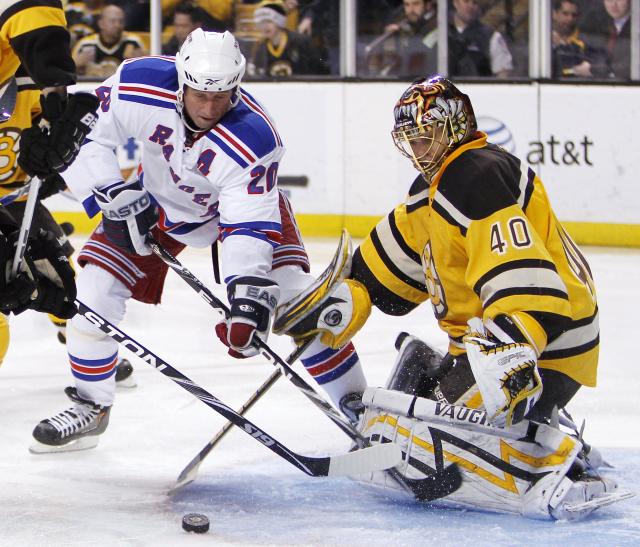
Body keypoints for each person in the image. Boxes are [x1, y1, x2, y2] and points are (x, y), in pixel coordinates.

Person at [272, 76, 624, 519]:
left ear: (457, 126)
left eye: (427, 135)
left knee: (425, 441)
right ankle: (537, 431)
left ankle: (552, 468)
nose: (419, 149)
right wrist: (345, 296)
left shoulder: (478, 174)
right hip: (489, 346)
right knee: (407, 405)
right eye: (411, 139)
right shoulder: (432, 190)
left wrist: (514, 348)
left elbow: (525, 279)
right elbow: (385, 267)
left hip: (544, 345)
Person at [31, 29, 367, 452]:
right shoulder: (139, 82)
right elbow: (83, 136)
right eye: (200, 95)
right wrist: (109, 191)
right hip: (151, 206)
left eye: (221, 96)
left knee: (300, 308)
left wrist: (247, 296)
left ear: (237, 85)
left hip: (235, 216)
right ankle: (91, 406)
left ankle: (361, 412)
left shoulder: (255, 138)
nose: (210, 108)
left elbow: (246, 223)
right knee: (92, 300)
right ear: (182, 80)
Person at [0, 0, 102, 358]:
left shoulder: (28, 81)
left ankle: (76, 339)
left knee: (57, 274)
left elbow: (52, 136)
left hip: (18, 198)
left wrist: (55, 173)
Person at [248, 0, 330, 77]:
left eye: (269, 21)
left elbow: (318, 70)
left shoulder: (301, 42)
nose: (264, 26)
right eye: (261, 23)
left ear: (279, 21)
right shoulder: (261, 48)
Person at [72, 4, 147, 79]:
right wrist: (76, 64)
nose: (117, 25)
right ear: (101, 24)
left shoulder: (133, 42)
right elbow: (69, 72)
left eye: (121, 21)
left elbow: (147, 71)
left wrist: (141, 63)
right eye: (113, 21)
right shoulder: (85, 44)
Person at [366, 0, 437, 77]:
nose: (411, 9)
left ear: (428, 5)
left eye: (416, 4)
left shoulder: (438, 23)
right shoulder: (401, 21)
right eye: (407, 5)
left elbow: (423, 53)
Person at [449, 0, 513, 78]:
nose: (470, 6)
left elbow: (503, 74)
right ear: (455, 3)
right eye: (466, 1)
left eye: (474, 3)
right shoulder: (442, 34)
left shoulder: (492, 36)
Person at [551, 0, 609, 78]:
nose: (570, 19)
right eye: (565, 14)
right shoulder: (542, 38)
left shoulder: (587, 41)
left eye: (574, 15)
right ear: (554, 14)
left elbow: (601, 64)